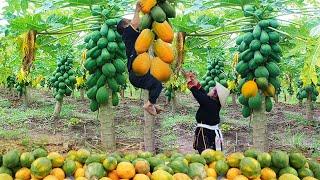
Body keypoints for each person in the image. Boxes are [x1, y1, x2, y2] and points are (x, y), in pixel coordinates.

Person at [116, 2, 163, 116]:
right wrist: (136, 10)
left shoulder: (136, 36)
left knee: (156, 84)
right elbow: (136, 23)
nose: (132, 22)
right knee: (157, 84)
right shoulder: (127, 34)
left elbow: (146, 28)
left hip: (138, 73)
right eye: (129, 22)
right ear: (125, 27)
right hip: (136, 74)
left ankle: (152, 103)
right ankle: (149, 104)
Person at [184, 71, 230, 153]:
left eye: (213, 89)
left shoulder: (209, 102)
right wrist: (194, 80)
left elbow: (197, 93)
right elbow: (202, 91)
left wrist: (188, 79)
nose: (211, 89)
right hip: (211, 132)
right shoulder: (213, 102)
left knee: (206, 154)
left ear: (215, 95)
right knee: (212, 154)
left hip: (206, 133)